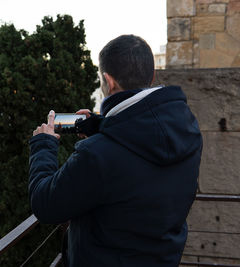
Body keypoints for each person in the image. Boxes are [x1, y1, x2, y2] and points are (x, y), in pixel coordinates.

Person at [28, 35, 202, 267]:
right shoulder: (187, 129)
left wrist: (43, 144)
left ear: (108, 82)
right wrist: (101, 124)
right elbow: (140, 147)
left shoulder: (96, 155)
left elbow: (45, 205)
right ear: (151, 76)